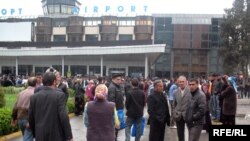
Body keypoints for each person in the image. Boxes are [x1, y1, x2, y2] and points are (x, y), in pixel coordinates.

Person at [28, 72, 73, 141]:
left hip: (40, 135)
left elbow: (31, 118)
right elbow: (64, 116)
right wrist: (69, 136)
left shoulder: (34, 97)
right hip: (57, 135)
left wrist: (35, 133)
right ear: (54, 82)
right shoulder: (59, 96)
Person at [11, 77, 37, 141]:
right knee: (27, 138)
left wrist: (14, 118)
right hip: (28, 120)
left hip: (20, 119)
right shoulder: (35, 94)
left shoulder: (21, 93)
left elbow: (15, 106)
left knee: (26, 137)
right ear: (36, 84)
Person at [172, 75, 192, 141]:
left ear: (186, 82)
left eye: (183, 81)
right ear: (178, 82)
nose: (181, 83)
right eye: (180, 82)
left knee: (191, 133)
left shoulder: (191, 90)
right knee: (180, 134)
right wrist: (174, 113)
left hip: (188, 115)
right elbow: (174, 104)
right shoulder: (175, 92)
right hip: (179, 115)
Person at [108, 73, 125, 141]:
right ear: (113, 79)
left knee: (117, 127)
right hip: (115, 110)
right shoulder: (112, 87)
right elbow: (111, 100)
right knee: (114, 127)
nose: (119, 81)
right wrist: (114, 111)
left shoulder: (119, 86)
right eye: (117, 79)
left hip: (119, 109)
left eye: (120, 79)